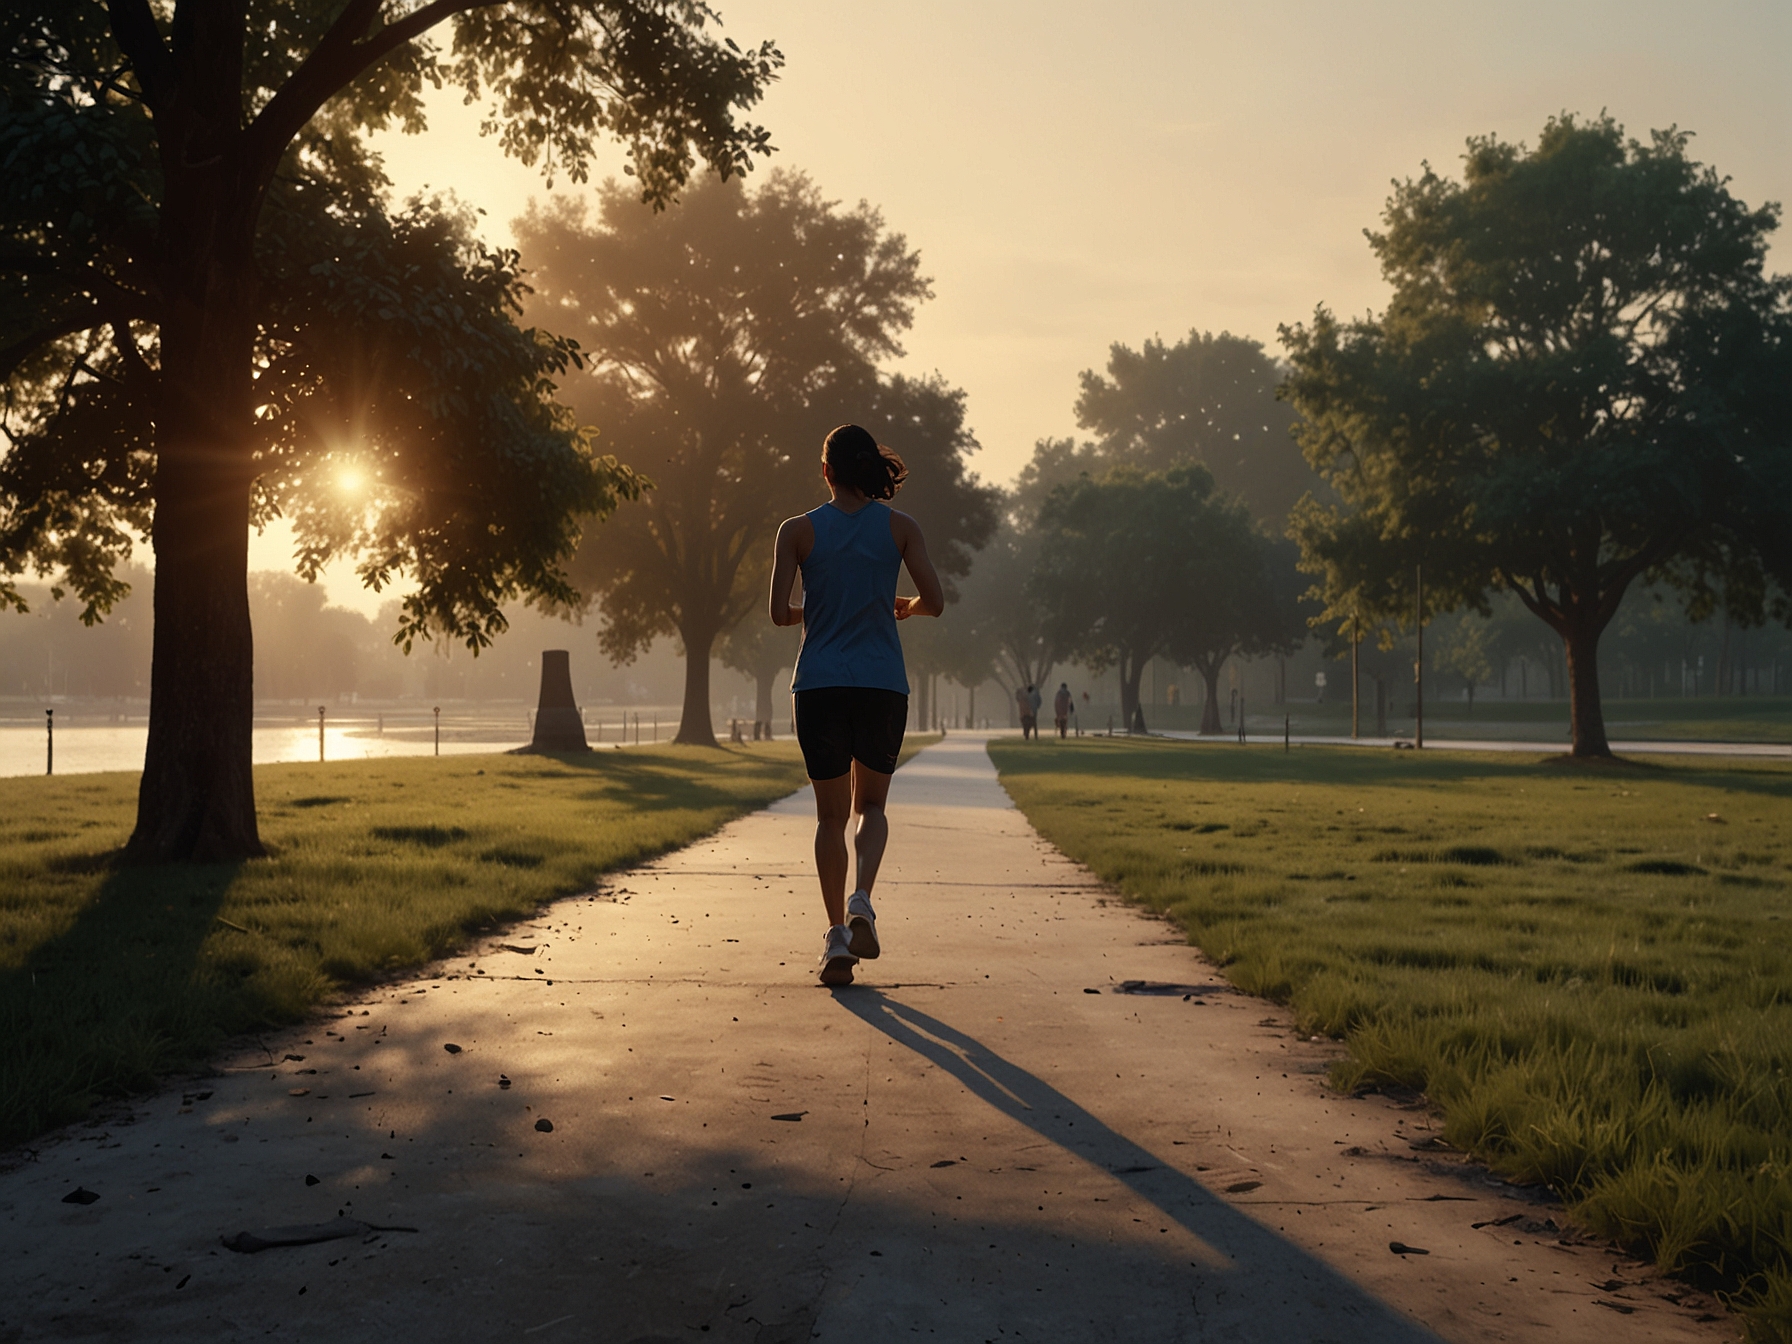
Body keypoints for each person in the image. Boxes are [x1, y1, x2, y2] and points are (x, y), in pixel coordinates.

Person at [770, 424, 944, 987]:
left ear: (826, 472)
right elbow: (935, 603)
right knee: (872, 807)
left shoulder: (796, 532)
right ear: (868, 469)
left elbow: (779, 613)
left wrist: (817, 611)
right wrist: (902, 607)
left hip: (819, 686)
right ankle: (862, 899)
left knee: (829, 816)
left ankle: (835, 937)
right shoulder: (900, 529)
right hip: (881, 686)